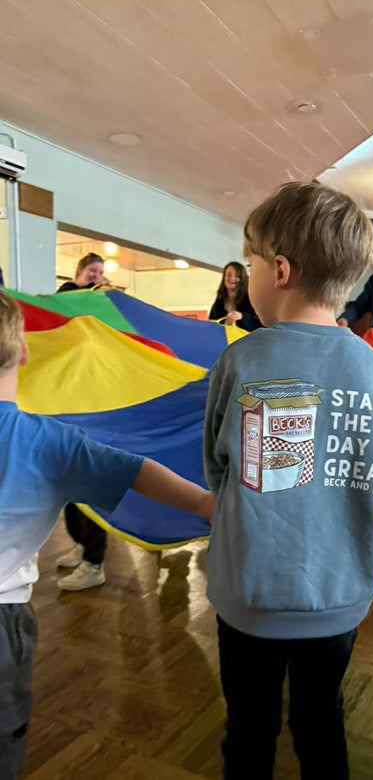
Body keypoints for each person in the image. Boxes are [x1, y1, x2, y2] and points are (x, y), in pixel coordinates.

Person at [203, 181, 373, 779]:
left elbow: (218, 468)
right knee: (322, 725)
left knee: (249, 730)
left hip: (250, 594)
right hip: (340, 596)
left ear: (280, 270)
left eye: (252, 261)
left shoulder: (241, 359)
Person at [0, 289, 213, 780]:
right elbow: (136, 469)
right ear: (26, 352)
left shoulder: (49, 442)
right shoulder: (49, 442)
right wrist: (203, 501)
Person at [55, 253, 112, 590]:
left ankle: (94, 561)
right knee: (68, 486)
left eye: (101, 273)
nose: (97, 277)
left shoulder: (101, 308)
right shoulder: (66, 297)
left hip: (94, 407)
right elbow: (63, 303)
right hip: (68, 405)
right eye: (92, 271)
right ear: (78, 273)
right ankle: (81, 544)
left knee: (89, 484)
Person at [208, 261, 261, 332]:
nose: (232, 278)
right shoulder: (219, 303)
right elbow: (211, 325)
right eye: (229, 275)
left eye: (237, 276)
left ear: (243, 279)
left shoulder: (251, 300)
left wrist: (242, 316)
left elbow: (261, 325)